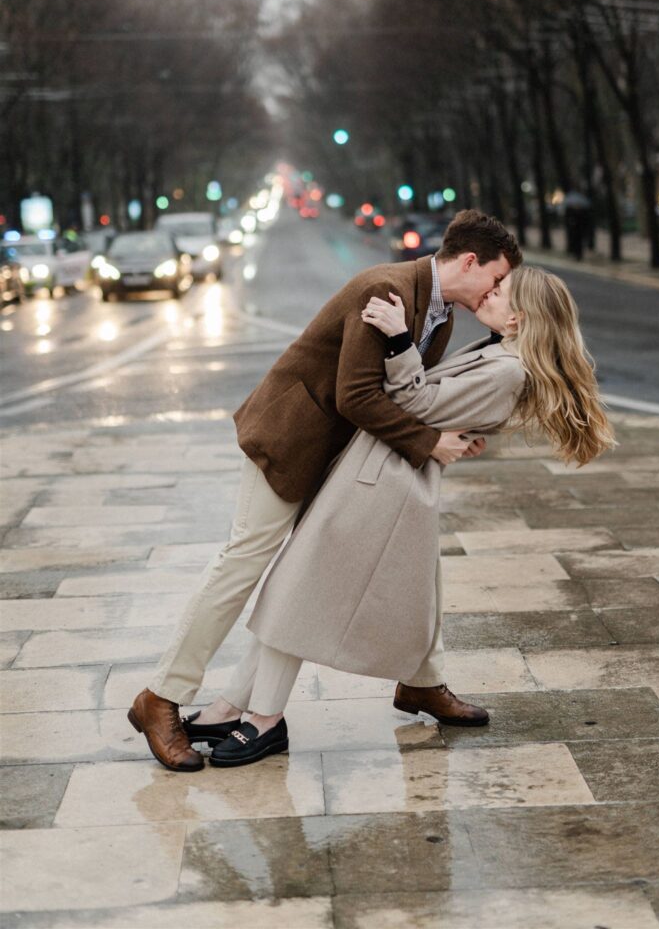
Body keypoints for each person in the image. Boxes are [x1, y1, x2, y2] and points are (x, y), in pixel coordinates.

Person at [128, 209, 523, 771]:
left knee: (412, 556)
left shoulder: (442, 317)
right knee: (242, 564)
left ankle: (422, 681)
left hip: (340, 461)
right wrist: (429, 441)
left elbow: (405, 391)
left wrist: (435, 430)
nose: (498, 289)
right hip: (292, 445)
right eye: (497, 277)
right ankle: (160, 698)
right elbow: (356, 396)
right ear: (468, 262)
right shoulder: (386, 289)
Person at [200, 266, 616, 768]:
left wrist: (399, 340)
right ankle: (230, 708)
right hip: (374, 475)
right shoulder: (496, 352)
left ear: (518, 318)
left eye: (500, 291)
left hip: (383, 488)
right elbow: (438, 408)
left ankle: (264, 722)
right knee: (295, 595)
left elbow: (412, 400)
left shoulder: (508, 370)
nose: (489, 291)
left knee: (297, 600)